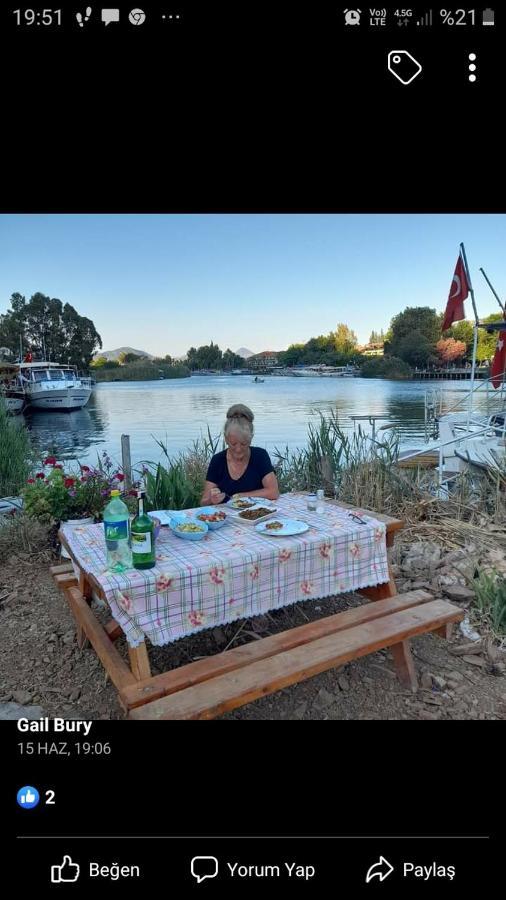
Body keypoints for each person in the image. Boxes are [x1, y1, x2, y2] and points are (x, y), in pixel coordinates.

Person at [201, 403, 280, 504]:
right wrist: (212, 499)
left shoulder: (260, 456)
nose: (238, 449)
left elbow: (274, 492)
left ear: (251, 439)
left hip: (257, 514)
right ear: (226, 439)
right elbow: (204, 502)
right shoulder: (218, 460)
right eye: (233, 444)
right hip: (225, 516)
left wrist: (241, 496)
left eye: (243, 444)